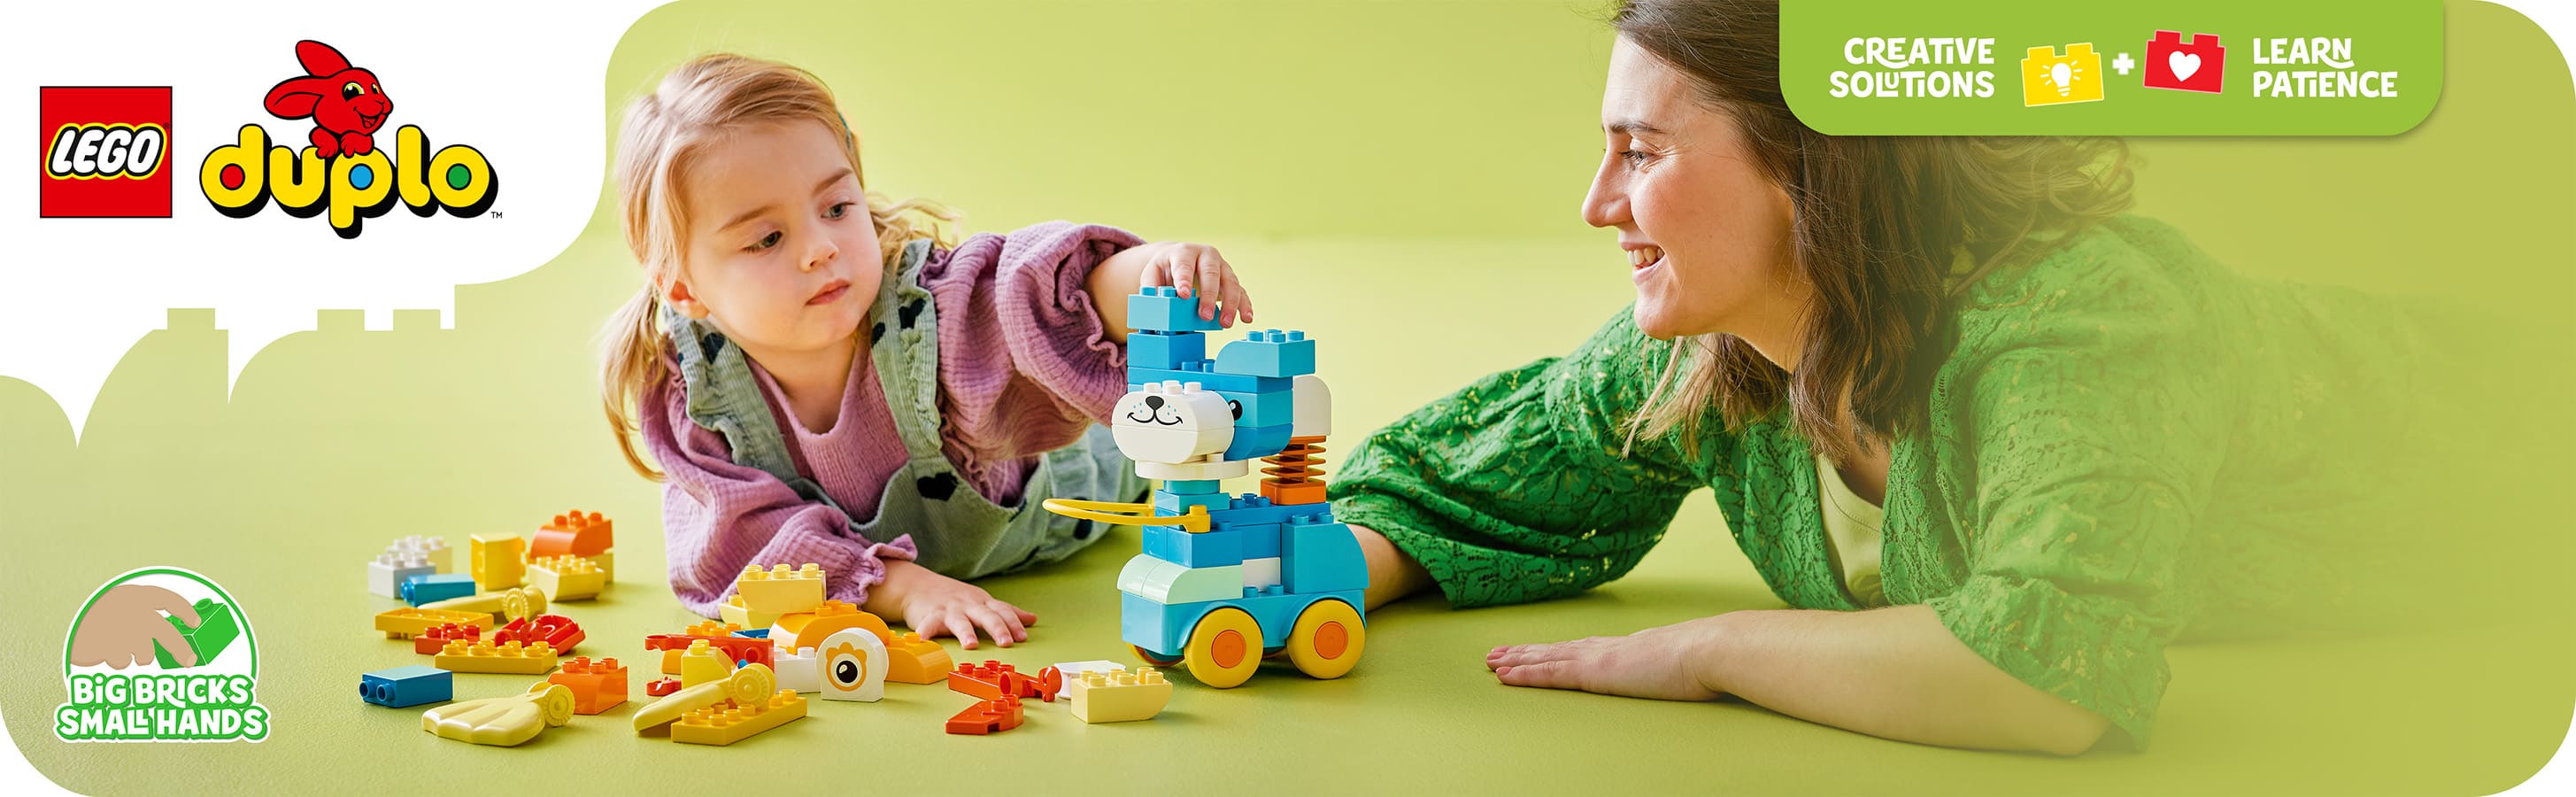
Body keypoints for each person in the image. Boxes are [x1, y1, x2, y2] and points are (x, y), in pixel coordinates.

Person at [1330, 0, 2483, 754]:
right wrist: (1293, 590)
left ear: (1809, 165)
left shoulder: (2085, 314)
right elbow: (1465, 489)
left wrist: (1707, 648)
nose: (1597, 204)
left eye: (1642, 151)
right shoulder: (1708, 347)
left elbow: (2045, 682)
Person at [598, 53, 1255, 649]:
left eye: (836, 207)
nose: (820, 248)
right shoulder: (697, 395)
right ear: (683, 287)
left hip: (1068, 485)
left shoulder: (929, 317)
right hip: (901, 565)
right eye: (767, 239)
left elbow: (1027, 297)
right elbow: (741, 544)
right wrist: (903, 588)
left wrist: (1150, 274)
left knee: (1141, 436)